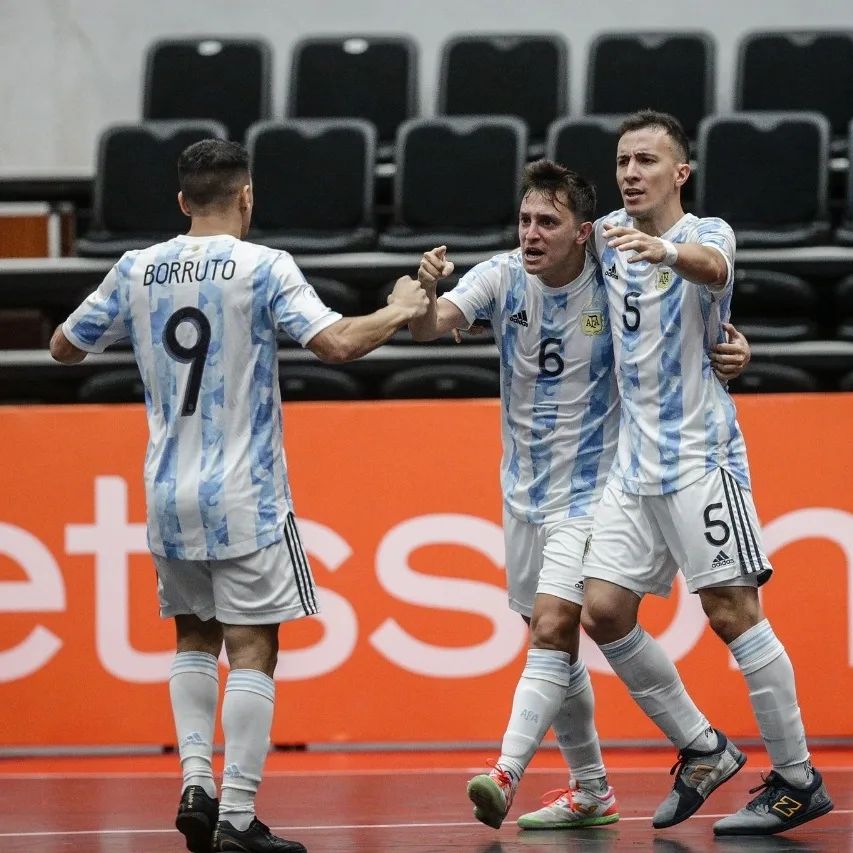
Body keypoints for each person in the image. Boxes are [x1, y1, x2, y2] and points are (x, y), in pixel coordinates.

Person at [49, 138, 429, 853]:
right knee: (253, 645)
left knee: (193, 636)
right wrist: (400, 308)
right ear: (247, 195)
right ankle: (237, 816)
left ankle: (196, 781)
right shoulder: (263, 266)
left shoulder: (137, 267)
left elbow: (64, 348)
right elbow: (339, 345)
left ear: (182, 202)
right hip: (245, 493)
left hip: (166, 489)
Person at [407, 159, 751, 832]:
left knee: (555, 625)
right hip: (522, 495)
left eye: (547, 222)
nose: (530, 234)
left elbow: (693, 310)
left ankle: (504, 771)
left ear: (583, 232)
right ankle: (600, 785)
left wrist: (732, 348)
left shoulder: (613, 278)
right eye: (525, 220)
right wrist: (423, 294)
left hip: (594, 491)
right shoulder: (503, 276)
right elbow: (429, 326)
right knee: (552, 645)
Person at [579, 110, 834, 836]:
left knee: (730, 613)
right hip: (633, 466)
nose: (630, 172)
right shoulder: (602, 235)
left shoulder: (704, 232)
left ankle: (795, 778)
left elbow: (713, 271)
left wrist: (660, 251)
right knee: (601, 611)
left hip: (699, 457)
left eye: (647, 161)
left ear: (679, 173)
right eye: (623, 161)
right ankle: (702, 746)